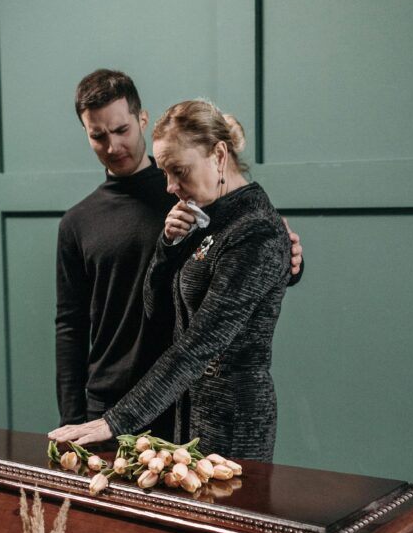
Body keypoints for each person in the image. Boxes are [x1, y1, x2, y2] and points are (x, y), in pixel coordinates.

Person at [52, 70, 302, 440]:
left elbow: (243, 260)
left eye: (121, 130)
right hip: (120, 395)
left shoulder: (201, 194)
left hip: (184, 398)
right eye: (98, 135)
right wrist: (73, 415)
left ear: (142, 119)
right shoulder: (80, 220)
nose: (113, 145)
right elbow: (73, 325)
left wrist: (288, 257)